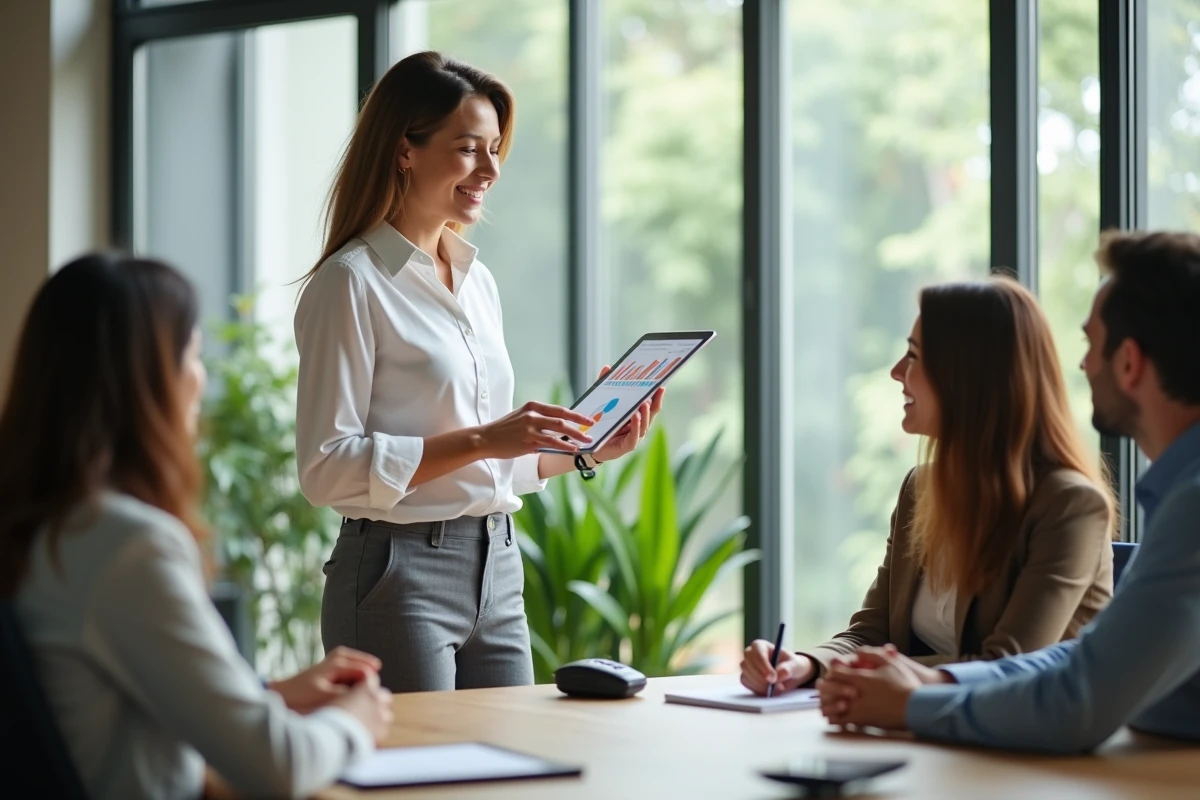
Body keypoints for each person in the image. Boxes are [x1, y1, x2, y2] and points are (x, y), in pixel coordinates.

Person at [294, 51, 661, 693]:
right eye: (468, 149)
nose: (490, 169)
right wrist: (488, 438)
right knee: (425, 787)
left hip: (498, 563)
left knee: (505, 774)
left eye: (495, 149)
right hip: (396, 572)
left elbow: (488, 463)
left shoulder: (475, 279)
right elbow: (326, 468)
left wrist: (579, 452)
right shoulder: (349, 283)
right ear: (405, 150)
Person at [0, 254, 393, 800]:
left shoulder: (41, 525)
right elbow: (278, 765)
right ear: (147, 382)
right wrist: (355, 721)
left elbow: (102, 698)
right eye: (192, 354)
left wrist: (265, 693)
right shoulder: (128, 545)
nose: (199, 378)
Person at [816, 230, 1200, 753]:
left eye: (1091, 344)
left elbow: (1076, 700)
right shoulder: (1178, 497)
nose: (1082, 364)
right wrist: (926, 681)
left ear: (1129, 362)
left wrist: (908, 699)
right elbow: (1081, 660)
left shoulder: (1180, 506)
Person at [742, 276, 1116, 697]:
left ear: (968, 378)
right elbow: (872, 630)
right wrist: (804, 664)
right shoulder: (921, 488)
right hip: (925, 731)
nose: (897, 372)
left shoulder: (1070, 505)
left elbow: (1010, 665)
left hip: (1027, 750)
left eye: (915, 356)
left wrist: (874, 674)